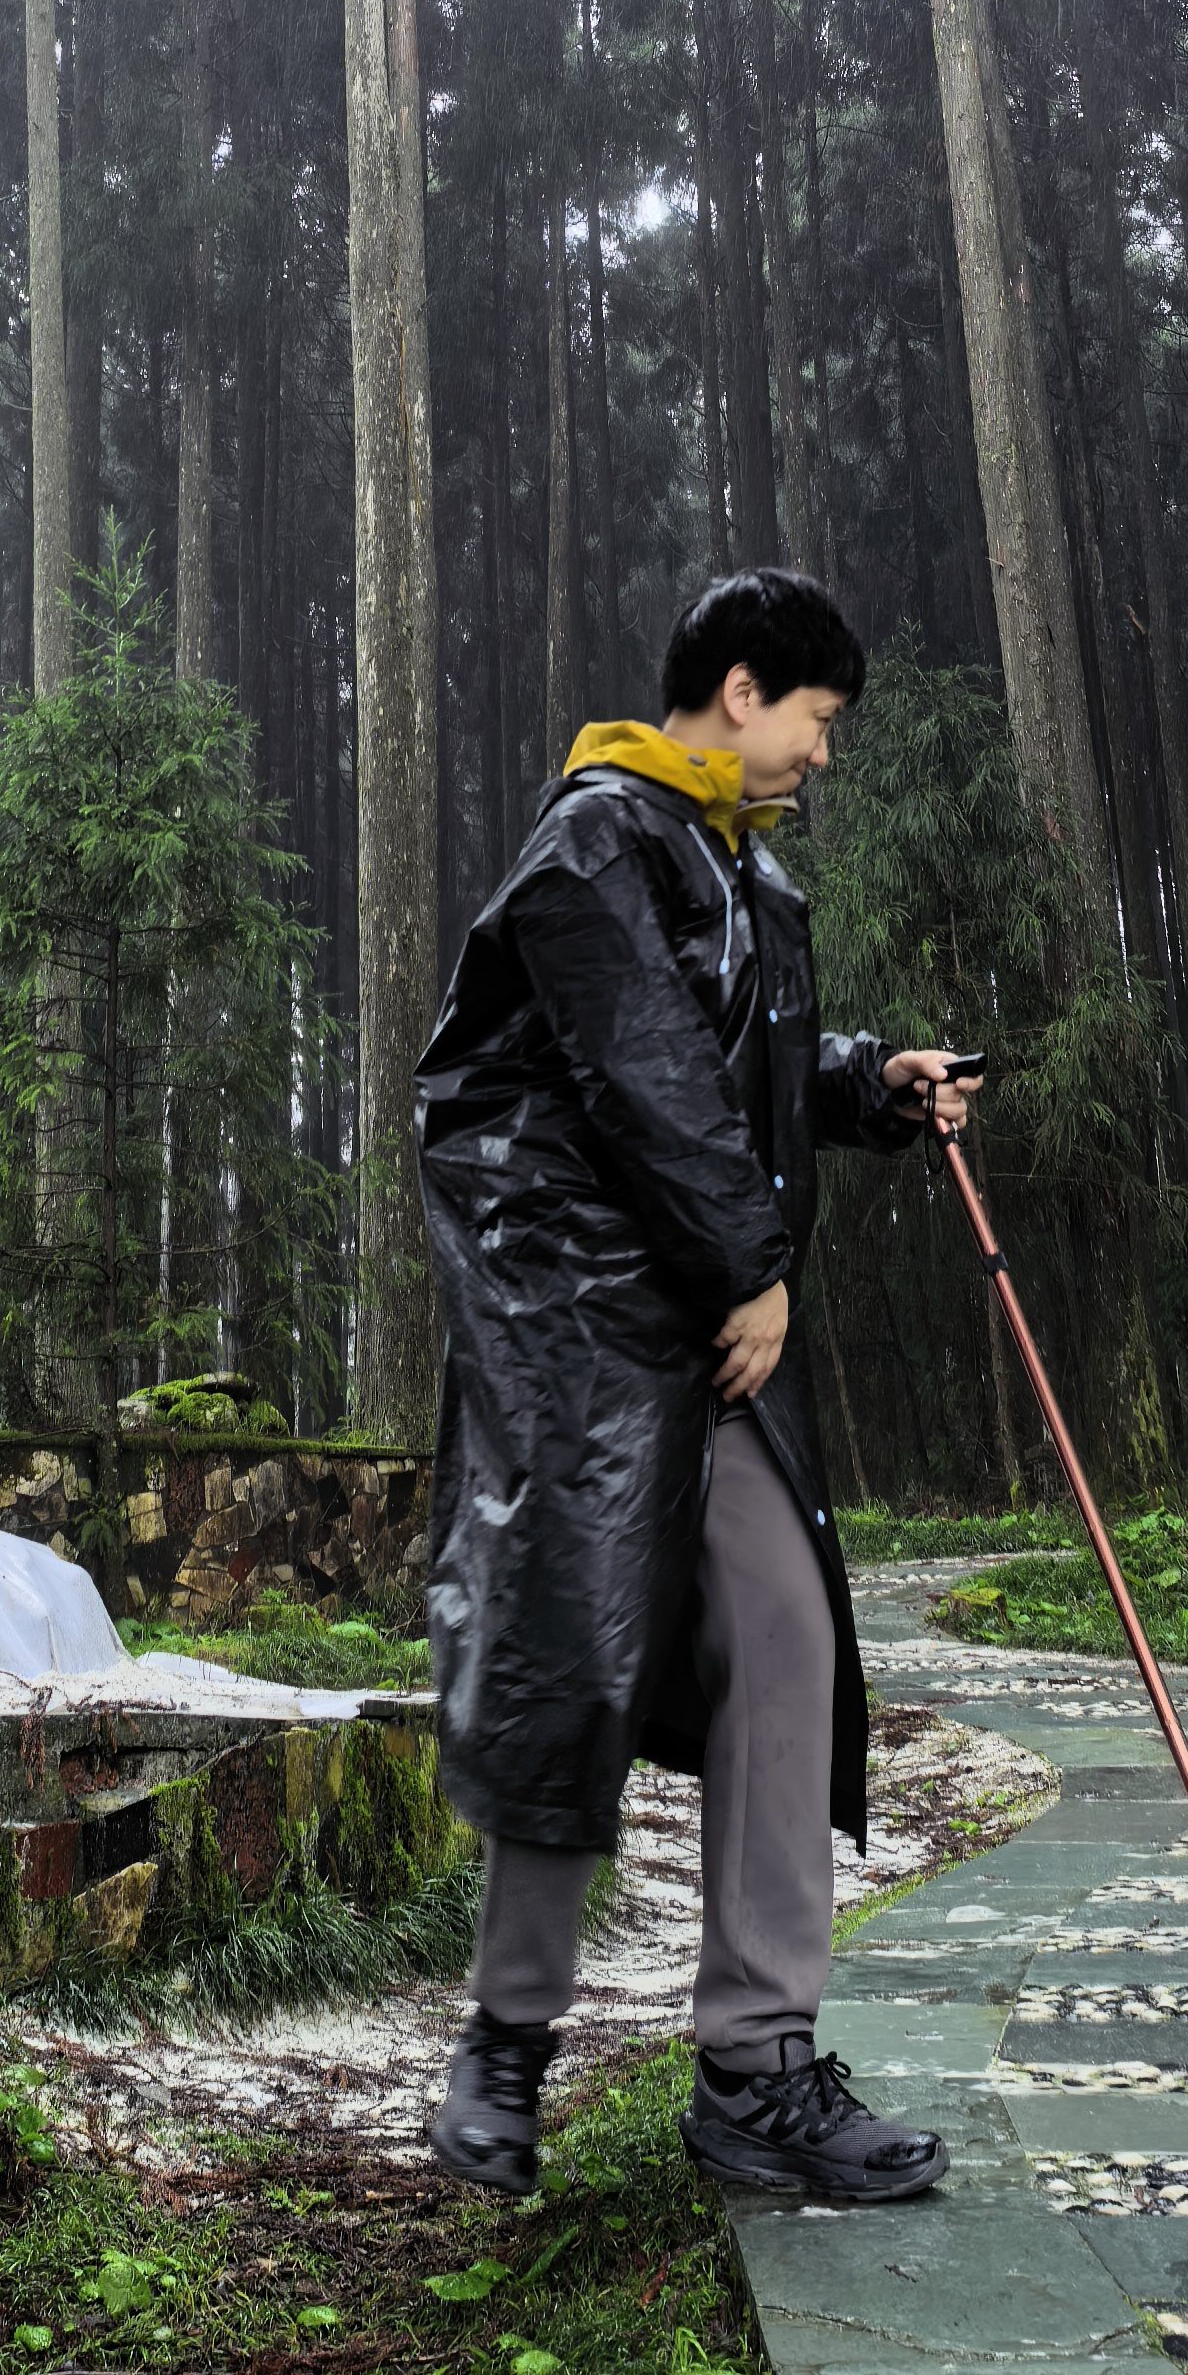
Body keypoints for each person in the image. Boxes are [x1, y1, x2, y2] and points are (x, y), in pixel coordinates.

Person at [413, 567, 981, 2205]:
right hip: (588, 1340)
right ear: (742, 690)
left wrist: (870, 1084)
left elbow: (734, 1066)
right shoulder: (599, 840)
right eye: (816, 718)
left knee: (787, 1631)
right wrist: (750, 1266)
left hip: (702, 1335)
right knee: (567, 1662)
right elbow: (642, 1078)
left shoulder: (736, 865)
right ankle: (503, 2049)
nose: (823, 753)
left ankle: (758, 2069)